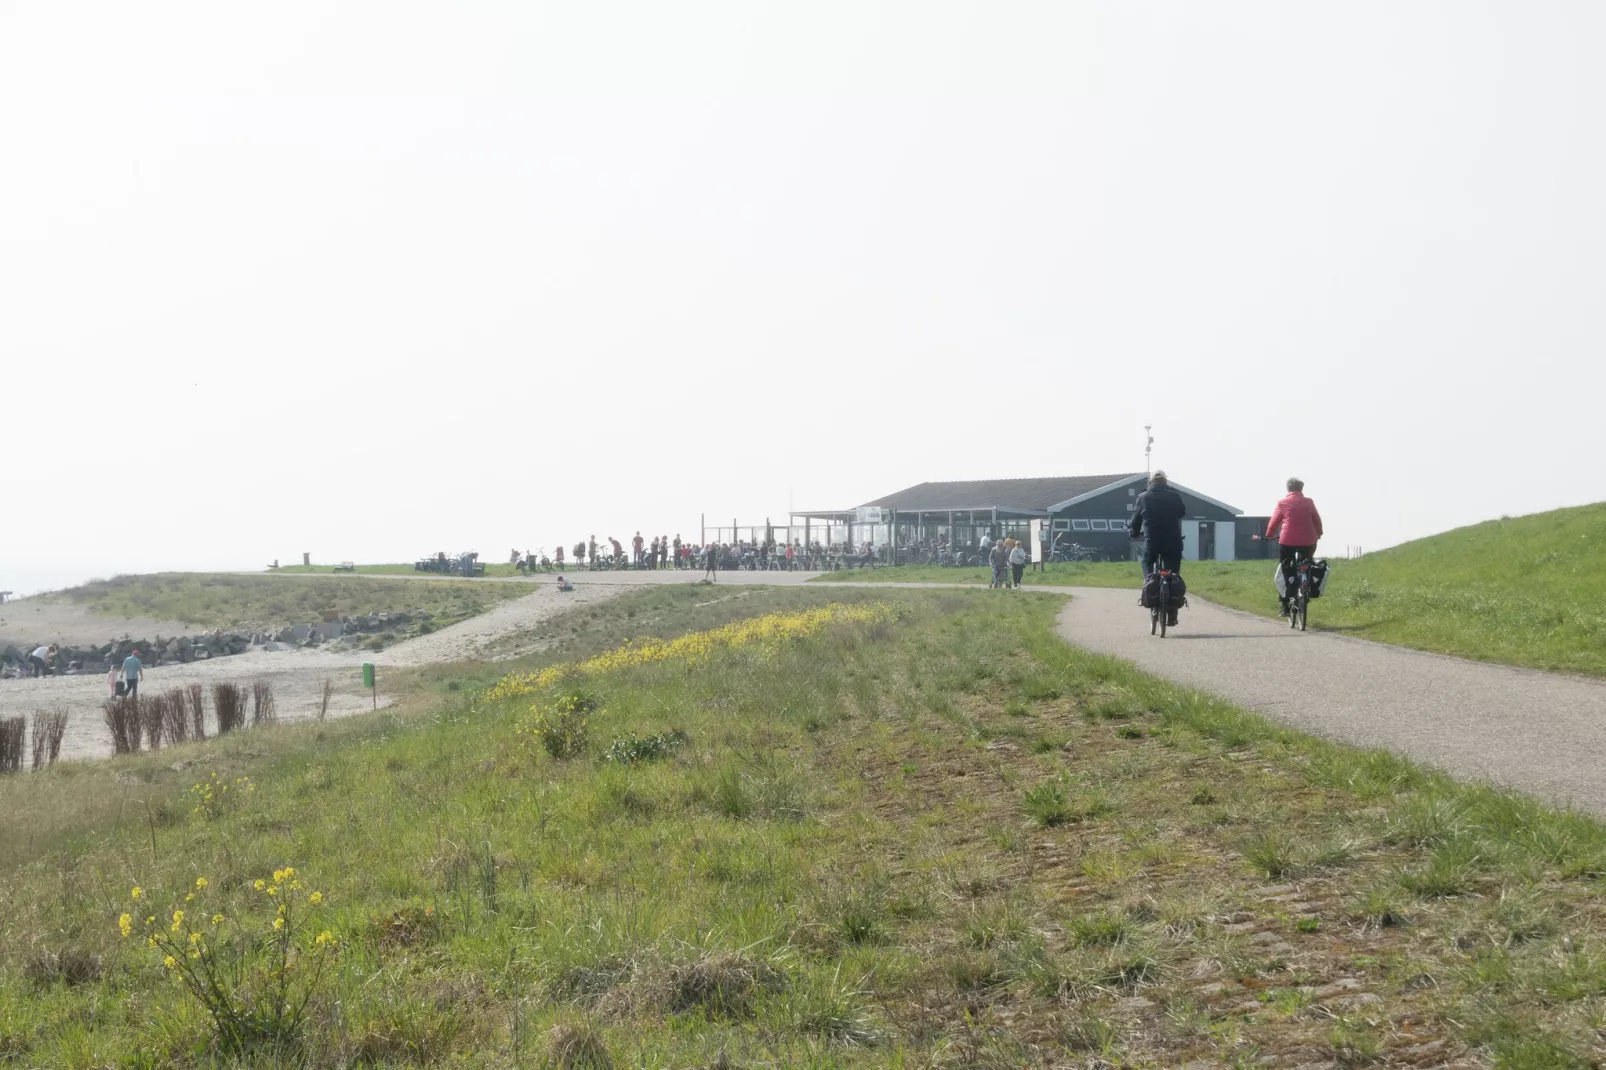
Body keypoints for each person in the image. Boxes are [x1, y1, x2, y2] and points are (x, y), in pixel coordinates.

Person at [1128, 470, 1187, 625]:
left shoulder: (1143, 497)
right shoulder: (1174, 495)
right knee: (1173, 575)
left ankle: (1149, 584)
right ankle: (1172, 614)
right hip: (1172, 541)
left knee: (1146, 562)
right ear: (1166, 481)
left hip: (1152, 541)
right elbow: (1182, 512)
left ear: (1150, 482)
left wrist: (1133, 533)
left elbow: (1135, 520)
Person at [1266, 477, 1324, 616]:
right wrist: (1319, 534)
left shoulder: (1282, 503)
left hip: (1287, 541)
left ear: (1288, 489)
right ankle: (1306, 588)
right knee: (1307, 564)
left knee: (1285, 570)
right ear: (1301, 489)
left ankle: (1285, 605)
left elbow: (1274, 522)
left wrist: (1269, 534)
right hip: (1309, 541)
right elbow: (1317, 520)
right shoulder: (1309, 502)